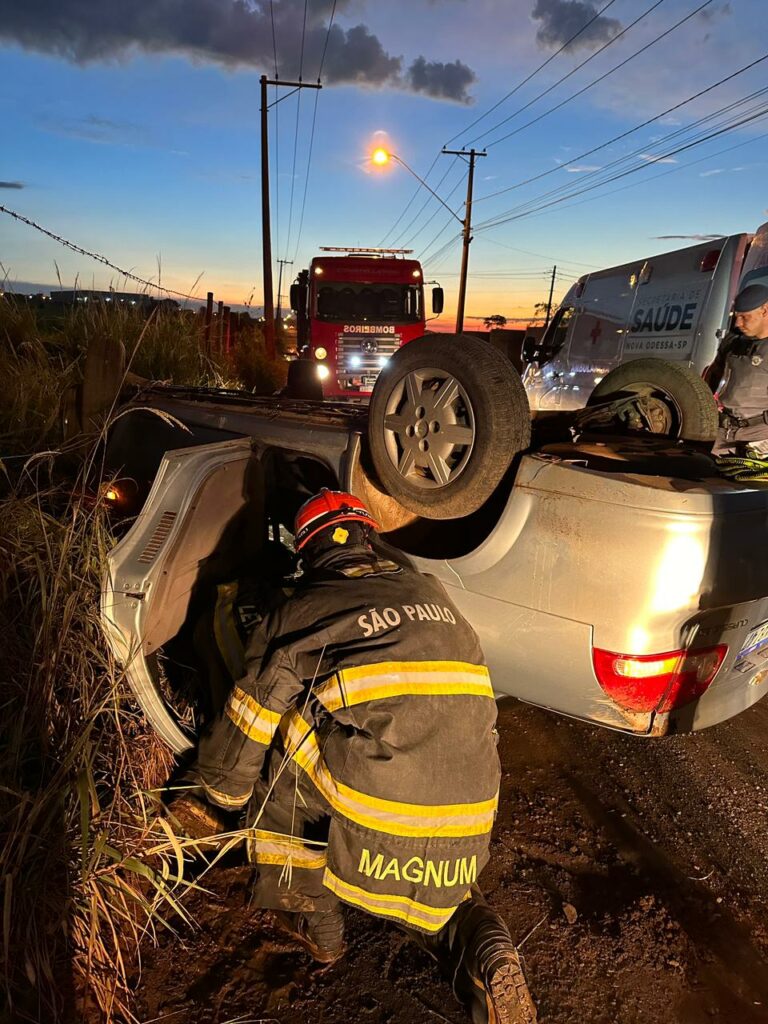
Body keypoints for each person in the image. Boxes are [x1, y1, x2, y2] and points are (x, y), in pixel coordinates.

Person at [168, 489, 537, 1024]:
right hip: (472, 810)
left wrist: (214, 795)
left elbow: (251, 723)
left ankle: (316, 924)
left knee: (292, 738)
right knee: (439, 890)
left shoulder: (301, 611)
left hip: (386, 805)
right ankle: (482, 942)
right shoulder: (432, 592)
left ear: (307, 553)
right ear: (371, 539)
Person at [705, 283, 768, 455]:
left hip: (759, 435)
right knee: (709, 479)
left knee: (750, 481)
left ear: (764, 311)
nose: (738, 323)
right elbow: (714, 374)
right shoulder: (732, 341)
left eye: (745, 317)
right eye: (736, 316)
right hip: (723, 430)